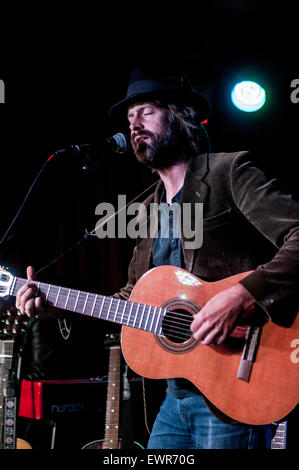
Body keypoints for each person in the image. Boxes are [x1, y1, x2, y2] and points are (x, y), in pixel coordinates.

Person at [16, 64, 299, 449]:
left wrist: (242, 295)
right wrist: (58, 305)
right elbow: (133, 301)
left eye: (146, 111)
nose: (134, 124)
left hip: (237, 384)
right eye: (130, 117)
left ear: (180, 115)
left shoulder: (229, 171)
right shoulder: (148, 211)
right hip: (173, 400)